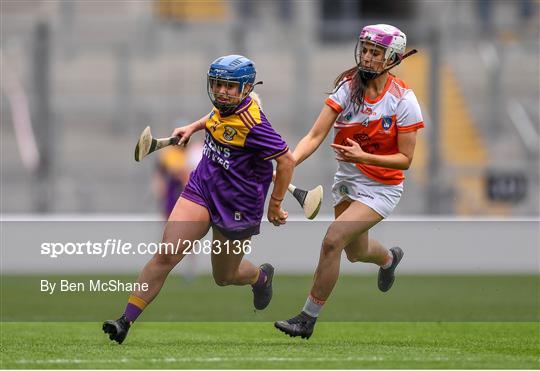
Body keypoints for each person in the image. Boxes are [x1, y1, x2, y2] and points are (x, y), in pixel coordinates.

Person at [103, 55, 295, 344]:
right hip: (202, 188)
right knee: (166, 254)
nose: (221, 91)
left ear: (245, 89)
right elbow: (216, 119)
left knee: (225, 276)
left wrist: (276, 204)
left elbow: (287, 161)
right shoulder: (226, 106)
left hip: (238, 206)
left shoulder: (254, 123)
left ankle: (260, 278)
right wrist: (193, 127)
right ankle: (124, 321)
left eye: (229, 87)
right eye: (217, 84)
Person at [274, 24, 424, 339]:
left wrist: (364, 158)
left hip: (382, 187)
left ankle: (307, 318)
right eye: (365, 51)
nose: (367, 58)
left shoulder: (403, 101)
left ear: (392, 57)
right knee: (355, 252)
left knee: (332, 240)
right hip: (347, 180)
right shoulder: (347, 88)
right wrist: (289, 161)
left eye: (376, 53)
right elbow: (315, 135)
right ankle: (388, 258)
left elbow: (405, 160)